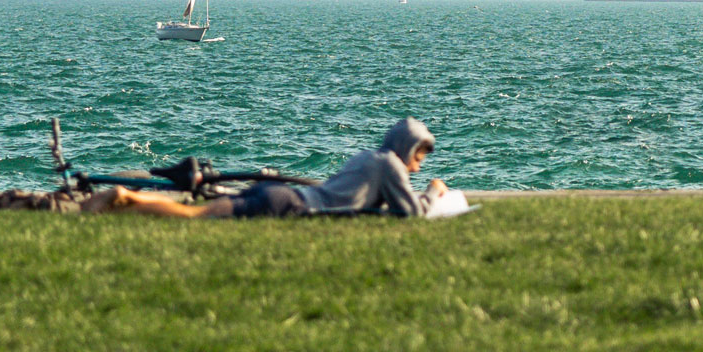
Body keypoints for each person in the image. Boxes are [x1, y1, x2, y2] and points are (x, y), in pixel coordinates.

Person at [97, 116, 447, 219]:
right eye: (418, 158)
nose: (416, 168)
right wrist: (434, 192)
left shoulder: (370, 157)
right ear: (406, 150)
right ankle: (128, 197)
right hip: (289, 204)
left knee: (197, 211)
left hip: (282, 193)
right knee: (195, 218)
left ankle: (113, 206)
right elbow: (412, 213)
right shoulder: (390, 165)